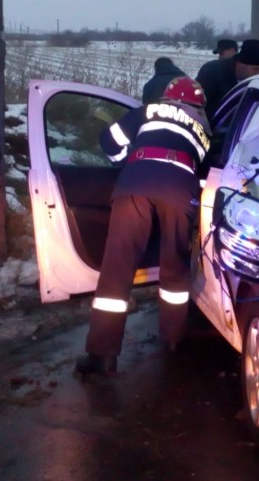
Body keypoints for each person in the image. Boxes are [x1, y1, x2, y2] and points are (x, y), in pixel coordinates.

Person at [75, 77, 211, 376]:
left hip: (135, 184)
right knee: (174, 265)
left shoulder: (148, 111)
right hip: (179, 191)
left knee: (118, 267)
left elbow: (109, 140)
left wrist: (127, 162)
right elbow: (203, 177)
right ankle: (174, 340)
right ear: (198, 106)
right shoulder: (203, 132)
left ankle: (102, 355)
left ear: (168, 98)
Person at [196, 38, 259, 118]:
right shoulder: (211, 72)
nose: (258, 73)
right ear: (242, 64)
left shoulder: (256, 80)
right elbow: (197, 106)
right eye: (255, 69)